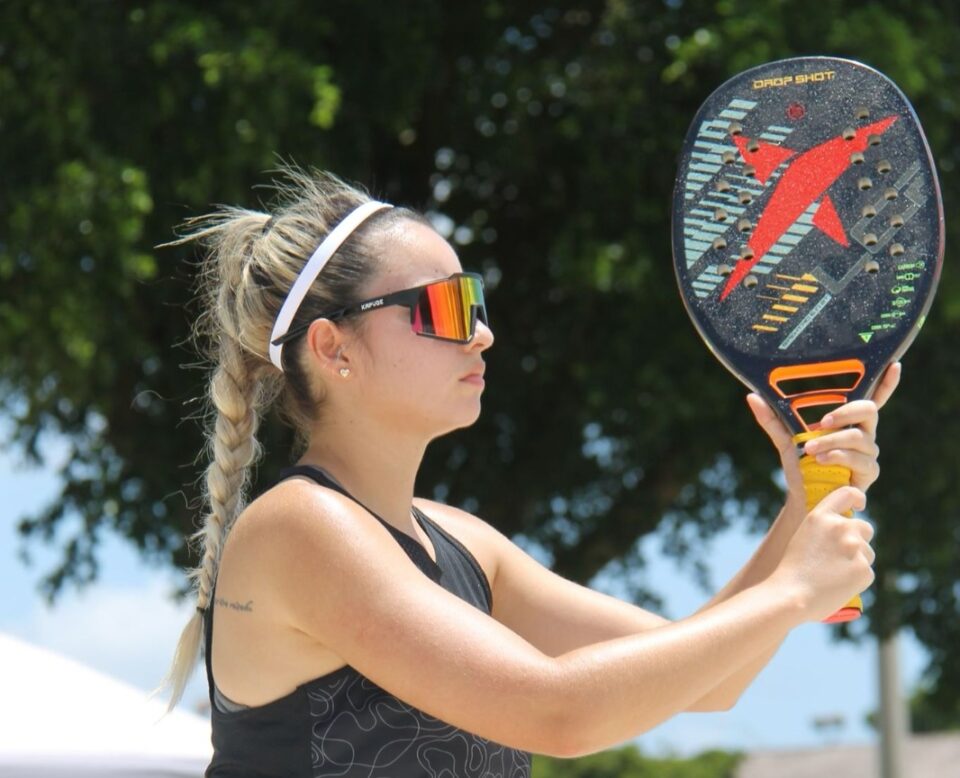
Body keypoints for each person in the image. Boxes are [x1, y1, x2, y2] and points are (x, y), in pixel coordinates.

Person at [156, 165, 899, 777]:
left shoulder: (461, 540)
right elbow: (560, 712)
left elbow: (711, 679)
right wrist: (795, 588)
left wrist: (802, 502)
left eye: (474, 300)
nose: (483, 332)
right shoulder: (300, 528)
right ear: (333, 348)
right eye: (446, 308)